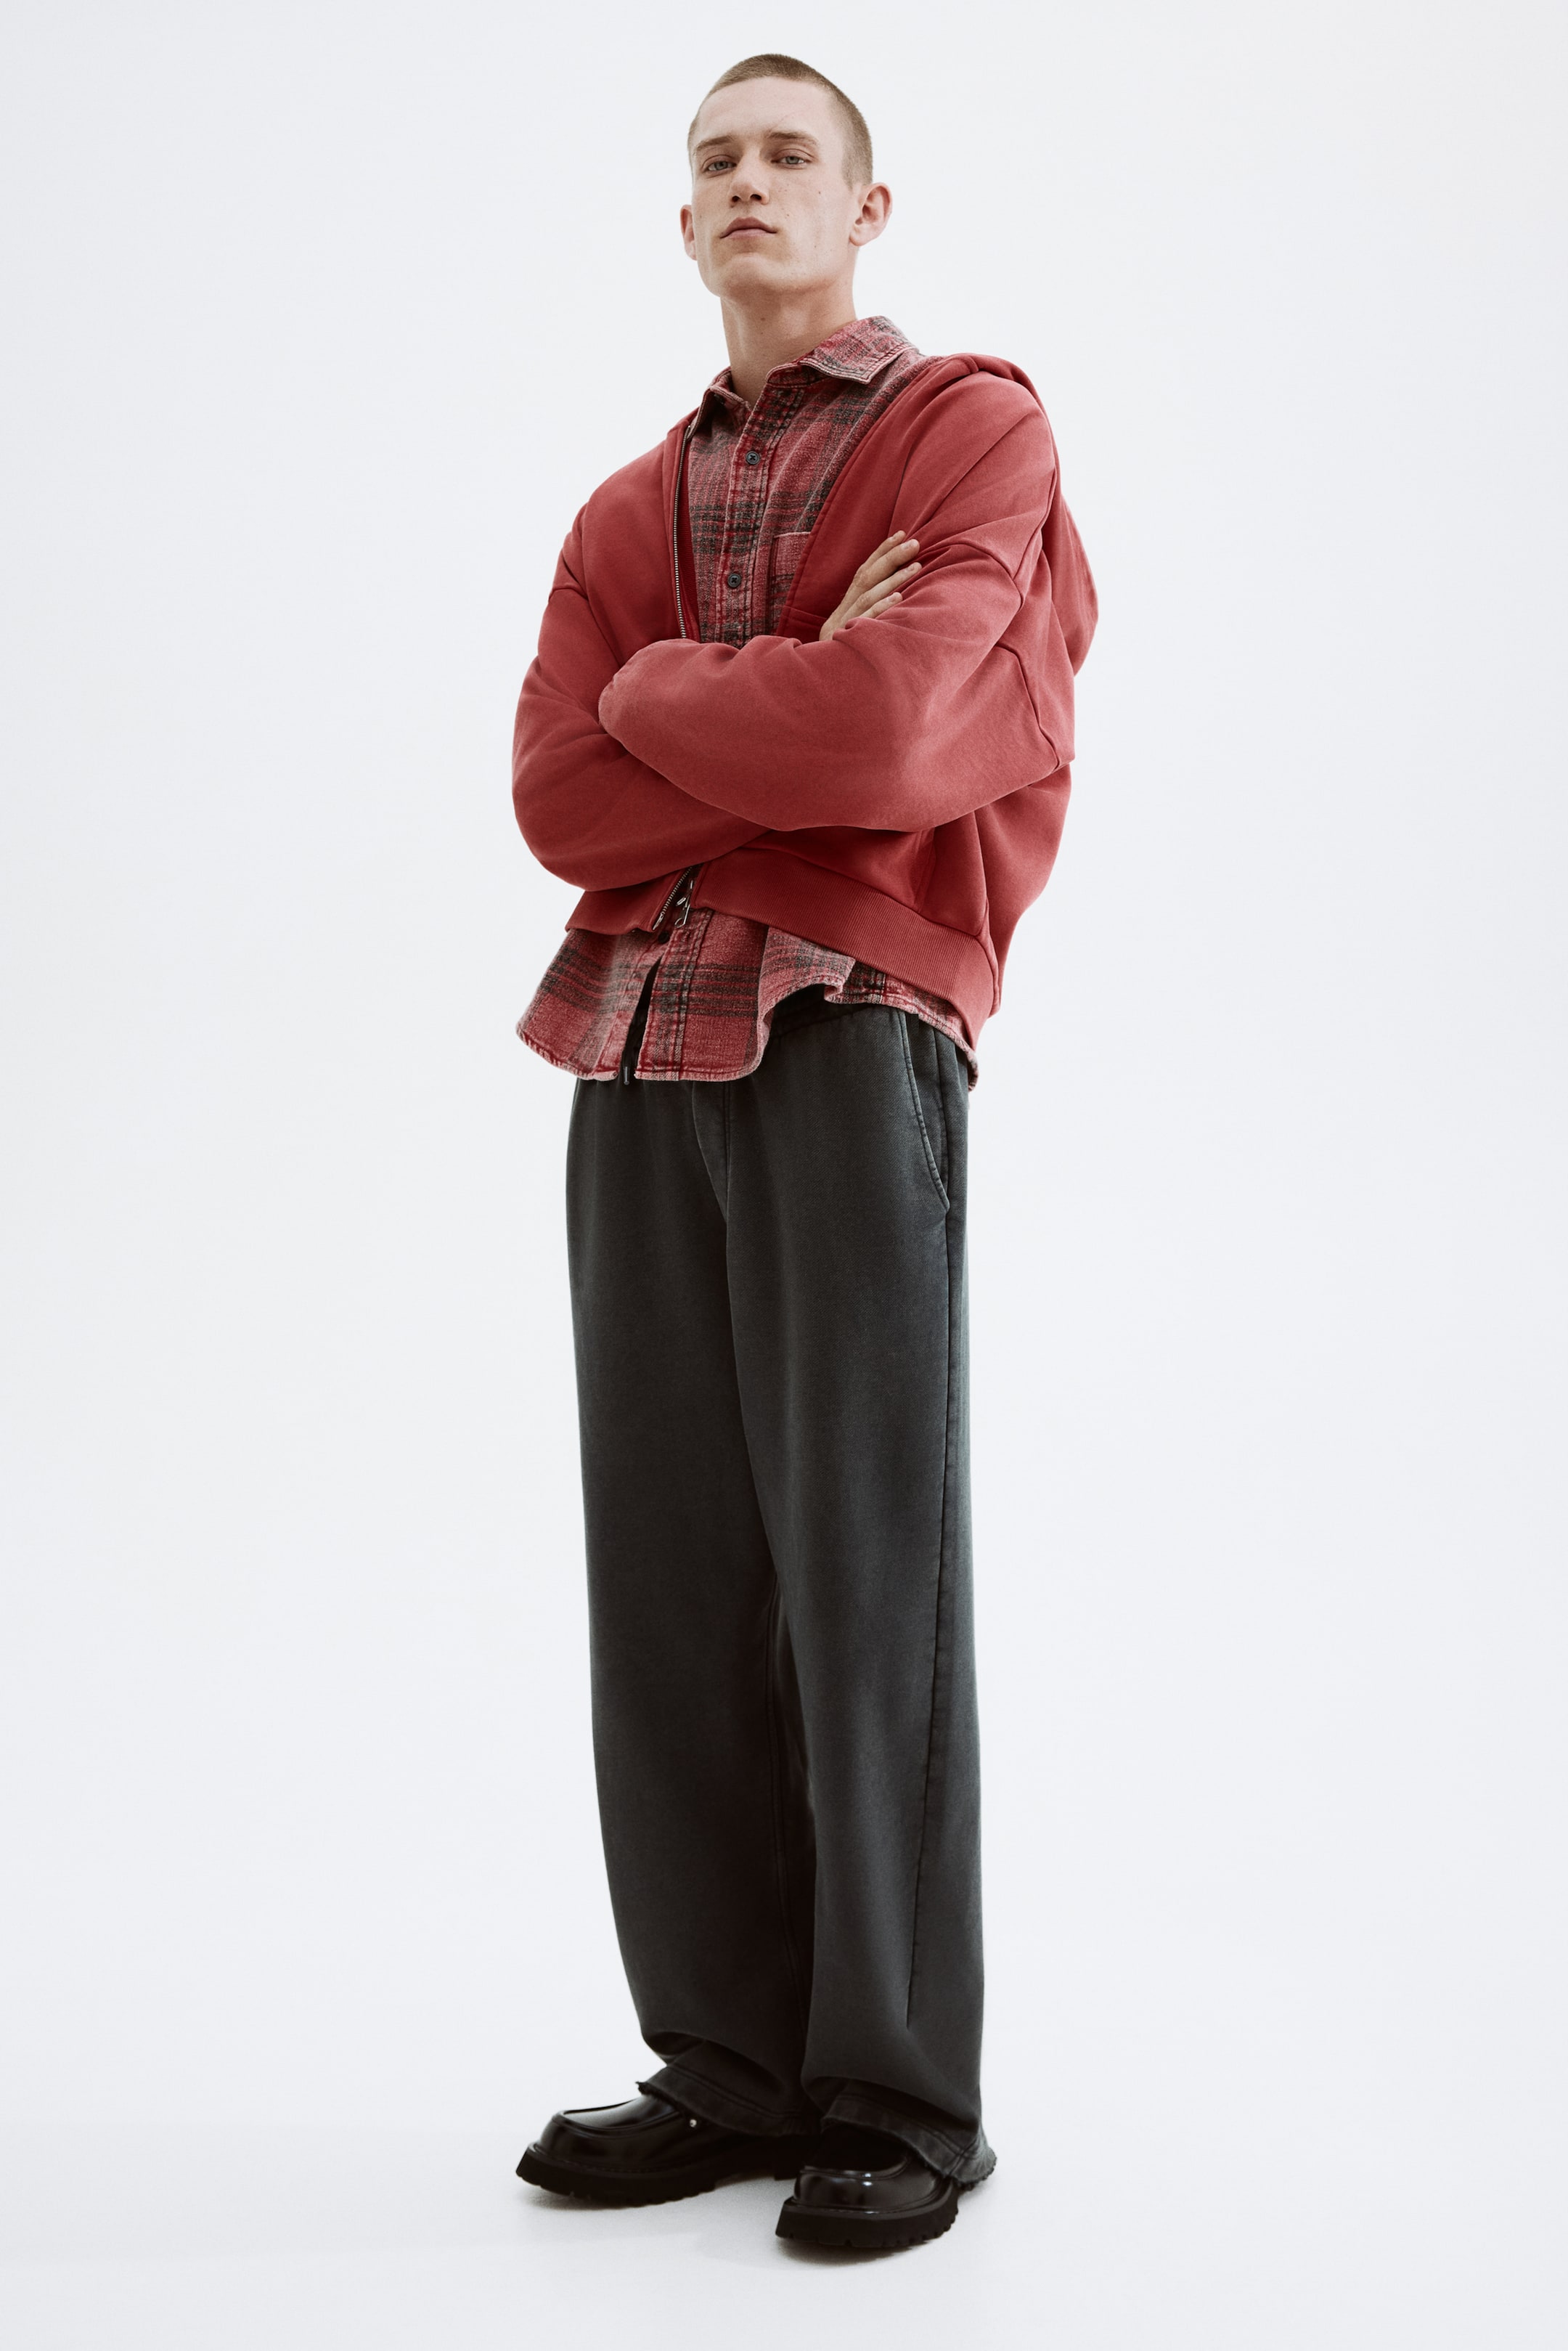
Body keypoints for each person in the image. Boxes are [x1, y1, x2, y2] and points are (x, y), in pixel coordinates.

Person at [510, 52, 1095, 2253]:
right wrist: (759, 695)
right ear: (686, 227)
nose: (749, 184)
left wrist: (668, 695)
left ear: (866, 206)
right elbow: (557, 804)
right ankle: (732, 2065)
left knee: (868, 1567)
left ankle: (901, 2096)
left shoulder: (969, 432)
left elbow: (898, 726)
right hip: (634, 1044)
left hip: (852, 1029)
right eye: (715, 162)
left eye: (789, 156)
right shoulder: (619, 511)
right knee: (666, 1572)